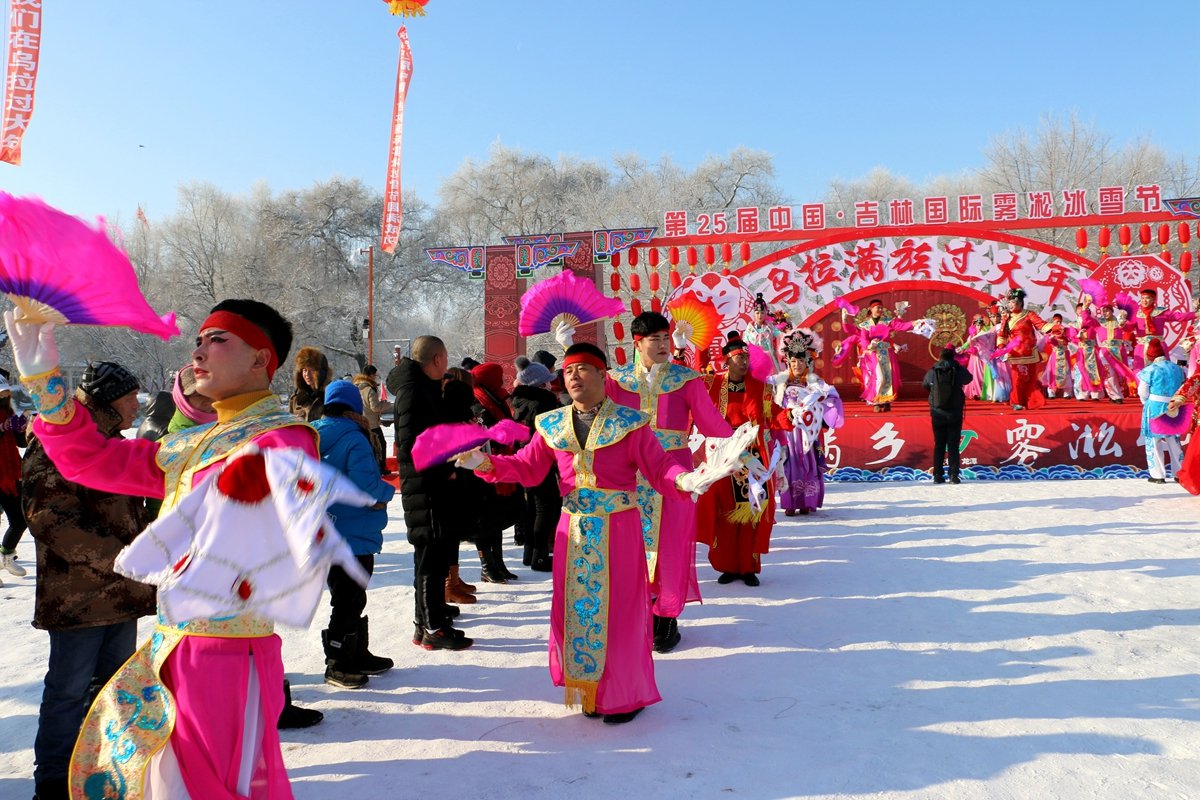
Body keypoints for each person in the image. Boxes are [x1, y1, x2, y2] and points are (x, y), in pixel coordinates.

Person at [7, 298, 316, 798]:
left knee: (214, 785)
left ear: (262, 360)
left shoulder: (283, 438)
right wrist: (45, 384)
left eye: (217, 341)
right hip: (173, 646)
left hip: (227, 654)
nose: (198, 353)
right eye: (197, 341)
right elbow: (90, 459)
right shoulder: (195, 444)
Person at [456, 342, 751, 724]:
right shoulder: (553, 423)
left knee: (623, 612)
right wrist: (485, 462)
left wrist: (689, 478)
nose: (574, 377)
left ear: (602, 375)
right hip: (573, 532)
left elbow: (660, 469)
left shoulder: (630, 423)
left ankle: (625, 694)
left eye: (582, 369)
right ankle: (590, 688)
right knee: (579, 610)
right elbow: (527, 468)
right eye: (567, 371)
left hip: (620, 529)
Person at [560, 311, 733, 654]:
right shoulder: (617, 379)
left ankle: (666, 615)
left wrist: (740, 447)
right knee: (629, 544)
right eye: (655, 339)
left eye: (666, 338)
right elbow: (587, 396)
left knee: (671, 544)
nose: (663, 345)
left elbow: (713, 424)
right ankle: (634, 612)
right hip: (627, 475)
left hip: (673, 473)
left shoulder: (686, 380)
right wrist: (571, 351)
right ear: (637, 343)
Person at [23, 361, 154, 800]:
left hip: (121, 594)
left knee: (114, 690)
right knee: (68, 693)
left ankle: (104, 773)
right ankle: (54, 783)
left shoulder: (112, 443)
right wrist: (123, 558)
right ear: (105, 399)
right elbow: (49, 519)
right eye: (129, 396)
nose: (137, 404)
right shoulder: (52, 442)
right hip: (78, 600)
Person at [313, 380, 396, 688]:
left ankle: (356, 652)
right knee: (349, 599)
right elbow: (366, 485)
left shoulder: (313, 434)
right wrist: (385, 492)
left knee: (347, 595)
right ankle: (338, 662)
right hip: (354, 530)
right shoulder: (354, 438)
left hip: (326, 529)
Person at [391, 335, 473, 650]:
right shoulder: (414, 393)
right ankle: (432, 628)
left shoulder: (421, 390)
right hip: (426, 487)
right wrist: (447, 469)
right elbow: (415, 447)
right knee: (429, 561)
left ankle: (426, 621)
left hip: (431, 486)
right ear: (438, 359)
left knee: (433, 558)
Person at [698, 332, 789, 586]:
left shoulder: (761, 389)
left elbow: (775, 416)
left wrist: (795, 417)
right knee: (725, 512)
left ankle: (748, 567)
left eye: (746, 357)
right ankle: (727, 565)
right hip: (724, 456)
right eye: (739, 357)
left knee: (753, 512)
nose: (744, 361)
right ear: (727, 361)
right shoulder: (712, 386)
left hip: (753, 457)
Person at [774, 328, 843, 515]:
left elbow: (830, 395)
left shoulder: (814, 381)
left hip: (808, 431)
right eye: (793, 361)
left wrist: (819, 398)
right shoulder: (780, 382)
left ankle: (807, 500)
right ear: (788, 362)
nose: (797, 365)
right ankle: (789, 502)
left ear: (808, 362)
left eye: (801, 360)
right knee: (788, 462)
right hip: (788, 431)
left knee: (808, 462)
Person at [508, 356, 562, 572]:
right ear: (539, 384)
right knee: (546, 507)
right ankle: (539, 556)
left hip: (524, 458)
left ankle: (530, 552)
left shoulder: (521, 401)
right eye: (547, 381)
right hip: (541, 459)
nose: (550, 384)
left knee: (532, 507)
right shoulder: (542, 403)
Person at [470, 362, 522, 582]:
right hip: (483, 465)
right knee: (485, 518)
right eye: (499, 378)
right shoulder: (478, 402)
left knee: (496, 516)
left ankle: (498, 563)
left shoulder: (495, 398)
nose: (502, 382)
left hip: (500, 461)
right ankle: (487, 566)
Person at [833, 298, 916, 412]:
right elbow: (862, 339)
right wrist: (869, 345)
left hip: (887, 353)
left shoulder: (887, 321)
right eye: (878, 307)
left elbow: (901, 326)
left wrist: (914, 324)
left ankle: (886, 401)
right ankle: (875, 401)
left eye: (881, 307)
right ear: (871, 309)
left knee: (888, 377)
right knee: (878, 377)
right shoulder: (865, 325)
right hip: (872, 353)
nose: (880, 309)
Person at [1137, 339, 1186, 484]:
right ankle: (1179, 472)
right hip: (1173, 405)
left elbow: (1143, 391)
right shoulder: (1177, 368)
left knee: (1154, 441)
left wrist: (1146, 402)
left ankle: (1158, 475)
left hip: (1155, 406)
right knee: (1174, 440)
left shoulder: (1149, 370)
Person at [922, 347, 973, 484]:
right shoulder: (957, 369)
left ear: (940, 357)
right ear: (953, 357)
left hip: (937, 412)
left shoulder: (933, 370)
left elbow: (925, 384)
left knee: (939, 444)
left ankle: (938, 475)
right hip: (955, 412)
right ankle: (953, 475)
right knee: (953, 445)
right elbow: (969, 378)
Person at [995, 288, 1046, 411]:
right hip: (1016, 353)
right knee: (1017, 379)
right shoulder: (1006, 317)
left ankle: (1030, 402)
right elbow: (1002, 334)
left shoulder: (1029, 314)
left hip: (1029, 352)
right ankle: (1016, 402)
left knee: (1030, 379)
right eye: (1010, 302)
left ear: (1020, 303)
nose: (1011, 305)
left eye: (1013, 302)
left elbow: (1041, 325)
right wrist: (1002, 347)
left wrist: (1053, 328)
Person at [0, 372, 29, 580]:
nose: (4, 397)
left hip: (10, 475)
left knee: (20, 520)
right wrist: (2, 428)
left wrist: (22, 429)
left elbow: (21, 444)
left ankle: (6, 555)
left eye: (5, 394)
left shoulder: (7, 411)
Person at [1129, 286, 1196, 371]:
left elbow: (1178, 316)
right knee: (1140, 371)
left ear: (1153, 299)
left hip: (1159, 346)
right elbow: (1129, 327)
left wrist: (1195, 315)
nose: (1144, 301)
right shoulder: (1136, 313)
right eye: (1142, 298)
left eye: (1147, 298)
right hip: (1142, 347)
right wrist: (1123, 324)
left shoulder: (1161, 312)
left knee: (1163, 369)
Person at [353, 365, 393, 475]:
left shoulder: (355, 387)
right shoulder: (369, 388)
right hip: (371, 423)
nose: (375, 378)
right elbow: (375, 407)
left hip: (359, 421)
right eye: (374, 375)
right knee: (381, 445)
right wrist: (387, 404)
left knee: (366, 446)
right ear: (370, 375)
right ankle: (381, 468)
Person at [289, 345, 330, 421]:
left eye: (311, 370)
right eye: (304, 370)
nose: (307, 374)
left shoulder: (331, 395)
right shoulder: (296, 399)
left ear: (321, 372)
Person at [744, 293, 782, 372]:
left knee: (770, 382)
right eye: (757, 313)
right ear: (754, 314)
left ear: (765, 313)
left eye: (762, 312)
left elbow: (781, 336)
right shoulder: (749, 329)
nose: (759, 315)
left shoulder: (770, 327)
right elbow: (745, 345)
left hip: (769, 359)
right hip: (754, 360)